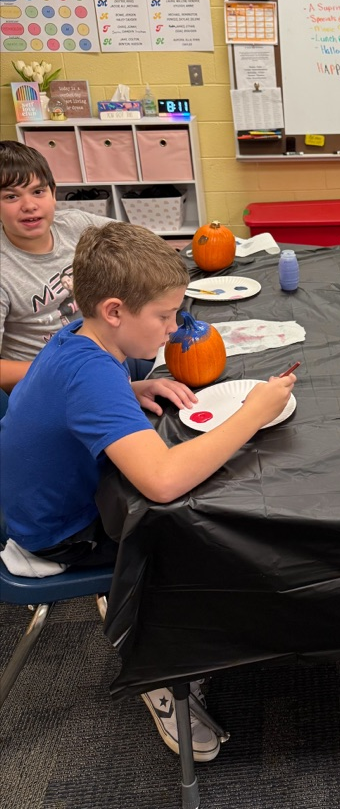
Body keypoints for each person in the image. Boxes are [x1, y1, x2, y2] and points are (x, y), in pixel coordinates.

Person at [0, 221, 297, 761]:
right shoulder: (91, 374)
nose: (172, 329)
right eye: (164, 316)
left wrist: (131, 386)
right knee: (199, 535)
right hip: (58, 535)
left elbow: (72, 394)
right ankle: (158, 672)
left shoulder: (78, 336)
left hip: (31, 504)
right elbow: (161, 481)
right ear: (115, 311)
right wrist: (253, 414)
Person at [0, 140, 112, 392]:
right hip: (46, 383)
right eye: (11, 196)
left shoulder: (76, 224)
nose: (29, 205)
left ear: (53, 193)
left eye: (38, 192)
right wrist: (63, 367)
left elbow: (139, 243)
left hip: (99, 356)